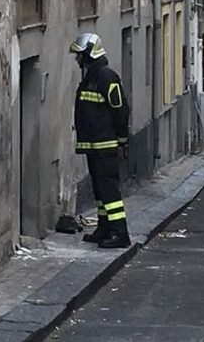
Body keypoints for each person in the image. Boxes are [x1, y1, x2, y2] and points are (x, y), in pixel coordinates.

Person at [70, 33, 131, 248]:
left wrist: (122, 139)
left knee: (109, 190)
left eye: (80, 55)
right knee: (99, 190)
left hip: (105, 146)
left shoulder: (106, 77)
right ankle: (105, 227)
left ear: (89, 54)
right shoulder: (91, 78)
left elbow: (121, 110)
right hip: (94, 146)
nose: (77, 60)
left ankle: (119, 232)